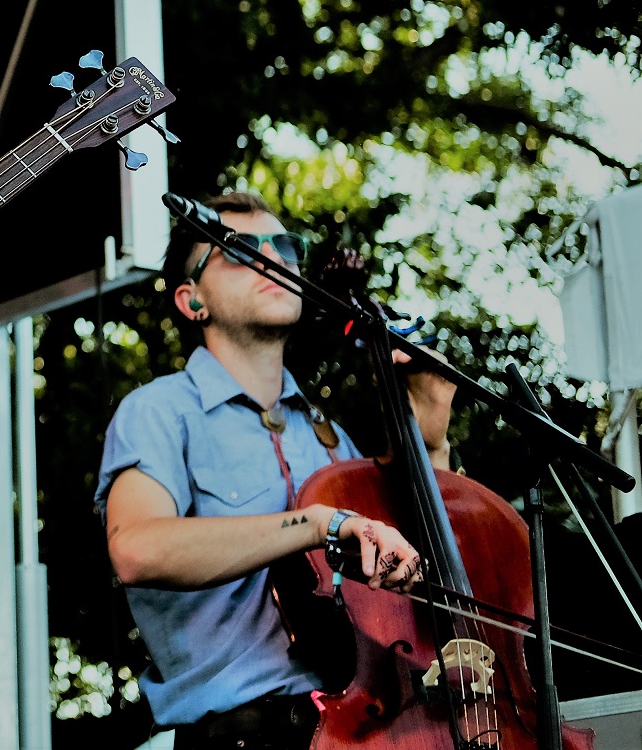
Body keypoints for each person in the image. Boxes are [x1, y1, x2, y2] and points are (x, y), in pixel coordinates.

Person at [98, 190, 452, 750]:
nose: (274, 258)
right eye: (239, 250)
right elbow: (138, 550)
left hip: (367, 728)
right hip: (245, 735)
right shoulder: (160, 411)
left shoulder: (327, 435)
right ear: (192, 302)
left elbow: (411, 585)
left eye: (284, 246)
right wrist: (317, 526)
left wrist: (430, 443)